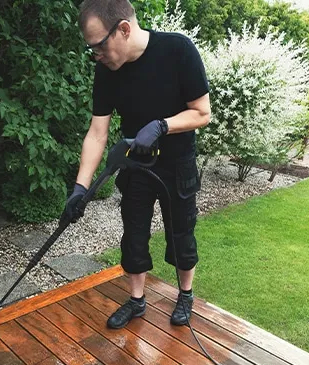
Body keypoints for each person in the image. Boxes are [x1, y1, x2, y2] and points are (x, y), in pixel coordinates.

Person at [63, 0, 212, 329]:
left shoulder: (178, 51)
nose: (96, 56)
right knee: (133, 235)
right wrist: (80, 188)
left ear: (123, 30)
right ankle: (136, 301)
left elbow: (203, 112)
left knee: (181, 235)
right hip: (137, 166)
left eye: (98, 47)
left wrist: (162, 125)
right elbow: (97, 133)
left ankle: (185, 294)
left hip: (177, 165)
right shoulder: (106, 70)